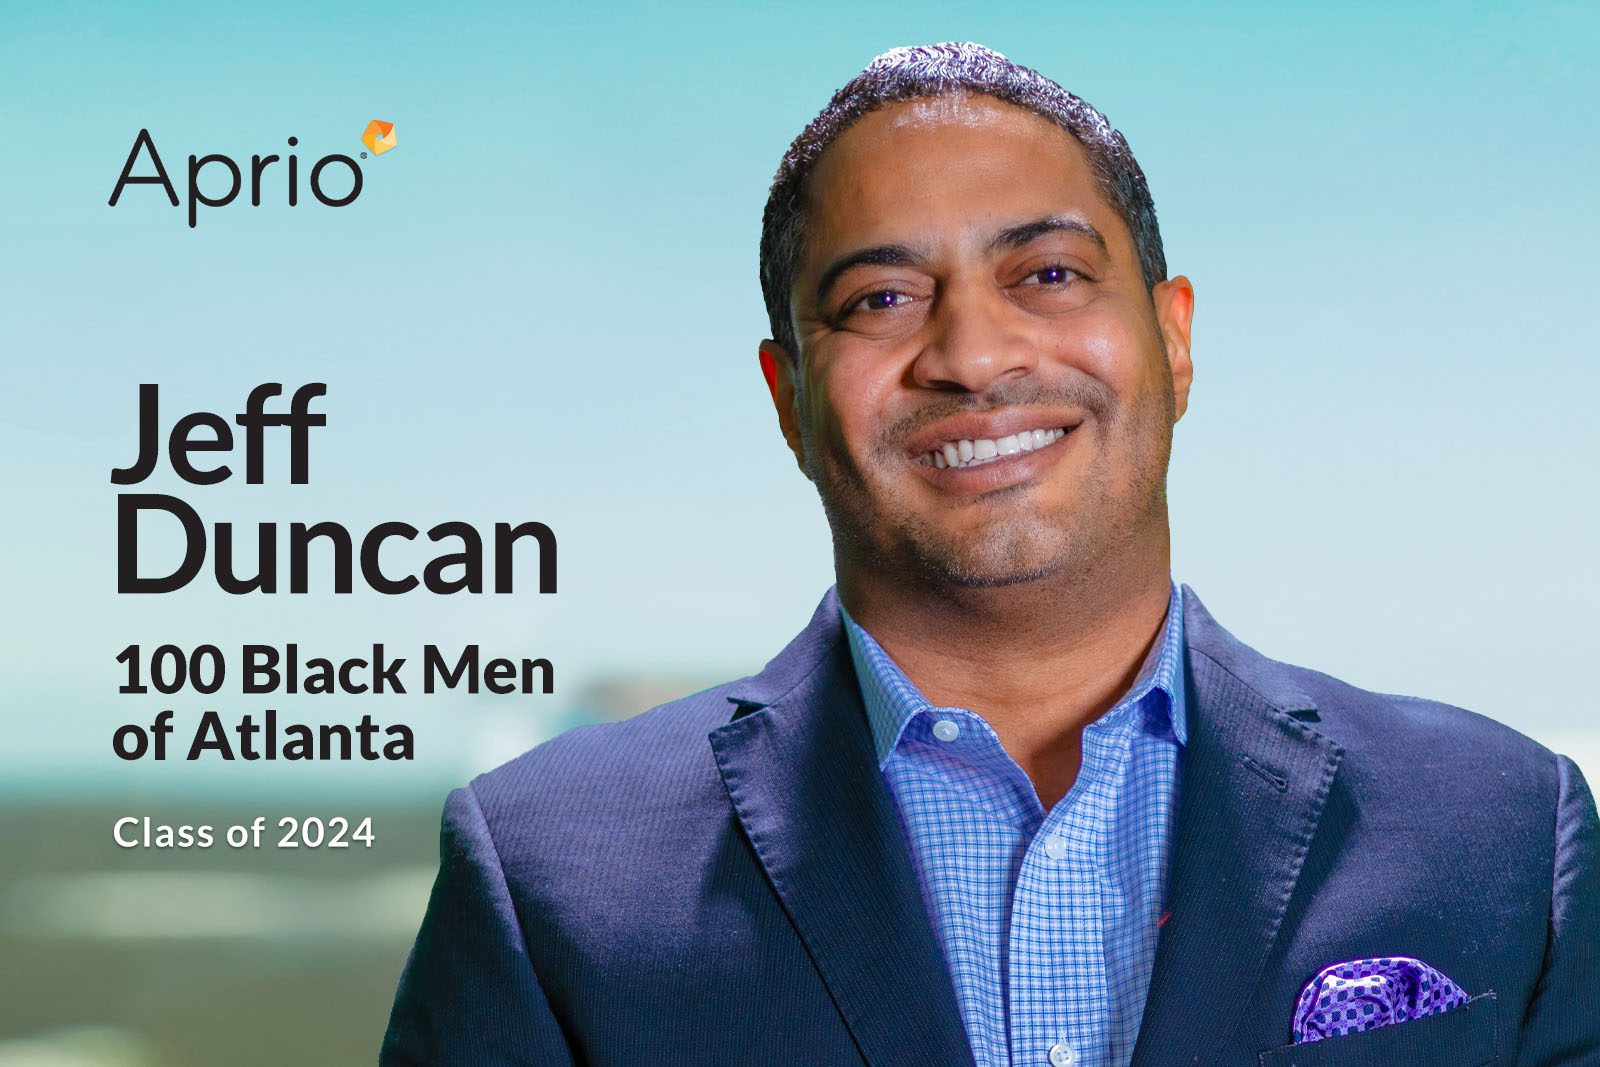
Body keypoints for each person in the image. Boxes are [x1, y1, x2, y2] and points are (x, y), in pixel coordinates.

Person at [381, 42, 1598, 1067]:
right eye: (879, 299)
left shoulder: (1499, 833)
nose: (973, 350)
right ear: (786, 395)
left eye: (1050, 273)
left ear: (1173, 341)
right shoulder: (545, 876)